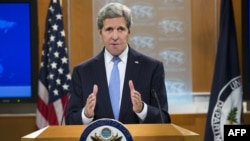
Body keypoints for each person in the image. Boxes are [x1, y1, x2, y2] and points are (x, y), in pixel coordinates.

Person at [66, 2, 171, 125]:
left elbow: (164, 119)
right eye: (109, 29)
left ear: (129, 32)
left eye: (121, 29)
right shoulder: (82, 72)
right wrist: (86, 114)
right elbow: (70, 121)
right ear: (100, 33)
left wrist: (142, 109)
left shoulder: (152, 68)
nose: (115, 36)